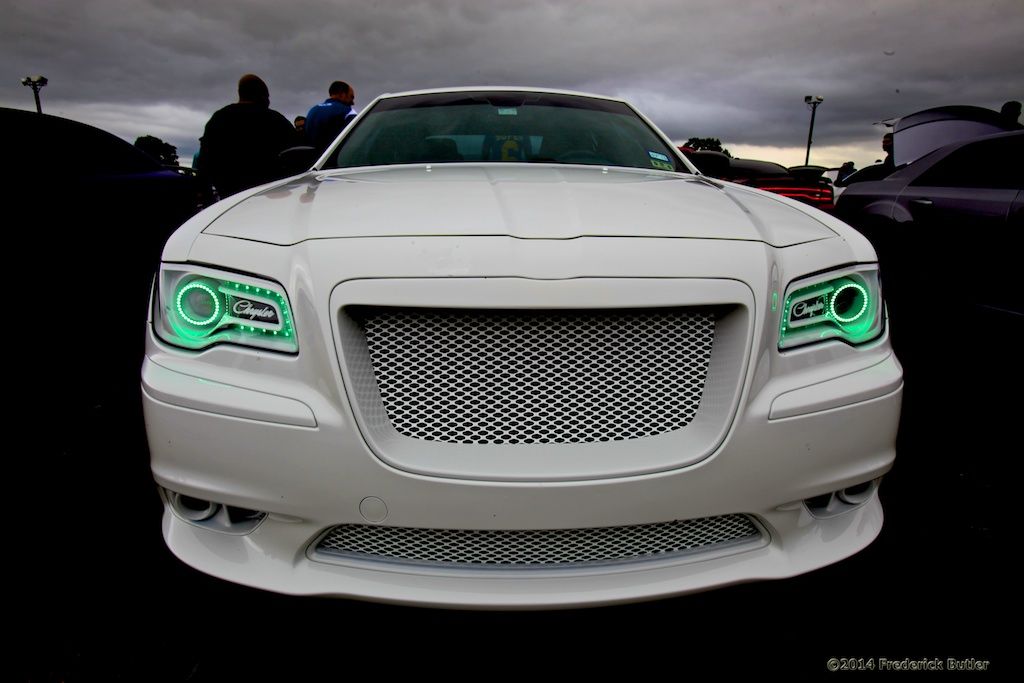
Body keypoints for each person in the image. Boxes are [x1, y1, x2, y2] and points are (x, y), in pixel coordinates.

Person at [197, 74, 295, 198]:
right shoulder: (275, 120)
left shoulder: (219, 118)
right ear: (263, 95)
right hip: (271, 194)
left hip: (229, 197)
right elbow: (296, 154)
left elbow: (205, 159)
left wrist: (206, 195)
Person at [305, 81, 357, 153]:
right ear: (342, 94)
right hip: (338, 157)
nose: (353, 102)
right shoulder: (348, 111)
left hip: (314, 159)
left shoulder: (313, 110)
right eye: (351, 97)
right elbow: (356, 136)